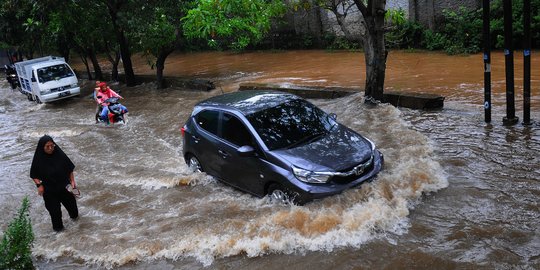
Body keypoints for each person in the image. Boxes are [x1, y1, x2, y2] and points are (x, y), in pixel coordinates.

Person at [30, 135, 78, 232]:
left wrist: (73, 183)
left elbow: (69, 169)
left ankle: (77, 231)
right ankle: (60, 238)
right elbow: (33, 174)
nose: (50, 148)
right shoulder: (38, 158)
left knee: (74, 213)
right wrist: (39, 185)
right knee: (55, 215)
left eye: (52, 145)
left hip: (65, 188)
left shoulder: (59, 154)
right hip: (50, 191)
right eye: (47, 147)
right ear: (42, 147)